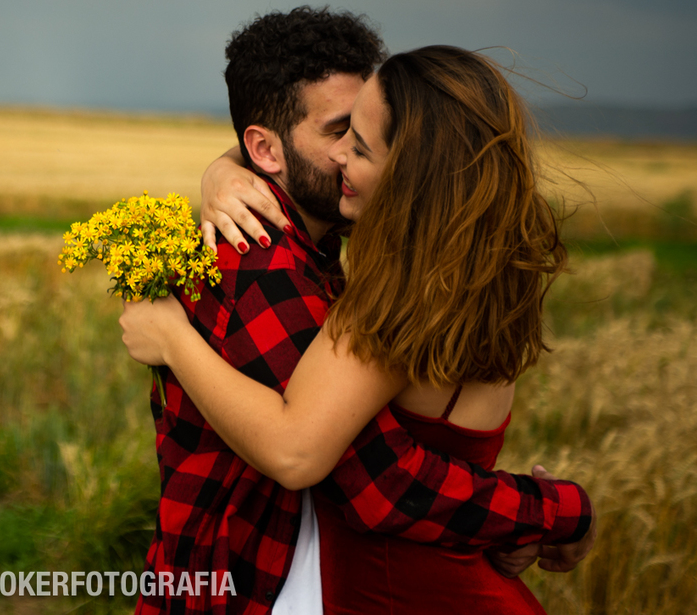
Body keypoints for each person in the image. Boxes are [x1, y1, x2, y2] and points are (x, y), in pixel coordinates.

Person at [120, 34, 596, 614]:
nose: (345, 154)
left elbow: (370, 475)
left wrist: (171, 337)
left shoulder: (394, 286)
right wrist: (547, 512)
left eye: (361, 143)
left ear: (412, 173)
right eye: (337, 132)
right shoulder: (457, 271)